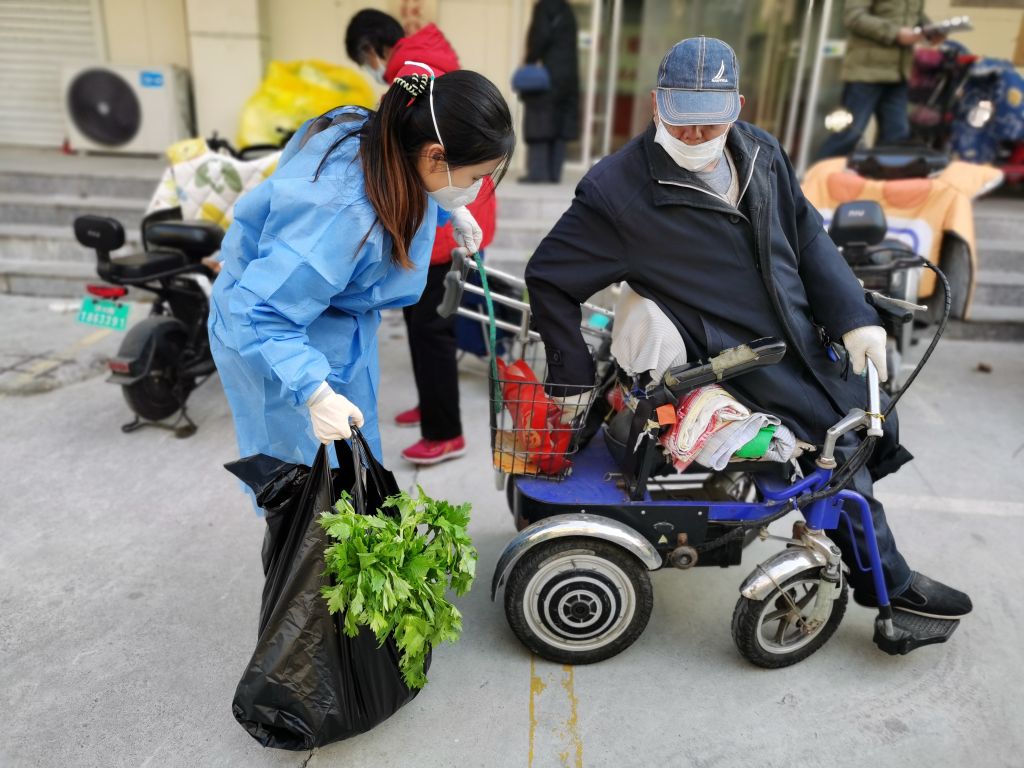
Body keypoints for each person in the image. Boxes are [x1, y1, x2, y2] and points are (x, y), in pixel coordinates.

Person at [525, 36, 972, 620]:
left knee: (868, 416)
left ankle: (872, 566)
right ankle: (889, 585)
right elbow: (549, 276)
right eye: (680, 120)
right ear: (657, 103)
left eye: (709, 123)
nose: (693, 136)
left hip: (801, 335)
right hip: (739, 360)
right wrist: (571, 374)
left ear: (737, 107)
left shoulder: (761, 151)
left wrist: (855, 317)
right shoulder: (617, 191)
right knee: (837, 450)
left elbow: (807, 235)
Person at [208, 65, 514, 478]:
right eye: (474, 177)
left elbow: (410, 180)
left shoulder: (389, 139)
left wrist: (450, 207)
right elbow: (261, 313)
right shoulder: (342, 214)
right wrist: (314, 393)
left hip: (332, 326)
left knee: (356, 473)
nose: (476, 189)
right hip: (278, 339)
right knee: (303, 485)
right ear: (436, 155)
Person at [346, 9, 499, 465]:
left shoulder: (414, 74)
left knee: (431, 328)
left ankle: (445, 431)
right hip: (447, 213)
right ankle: (432, 405)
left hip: (444, 222)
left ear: (370, 48)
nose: (370, 68)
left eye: (364, 59)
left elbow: (404, 152)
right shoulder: (424, 64)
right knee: (420, 323)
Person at [817, 0, 940, 158]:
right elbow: (853, 16)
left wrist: (930, 31)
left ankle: (881, 174)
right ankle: (815, 174)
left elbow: (911, 16)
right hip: (865, 73)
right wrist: (896, 33)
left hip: (898, 74)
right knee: (848, 136)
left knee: (896, 139)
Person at [520, 0, 579, 183]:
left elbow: (539, 37)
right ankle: (554, 173)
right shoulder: (567, 9)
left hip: (548, 73)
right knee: (561, 122)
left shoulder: (544, 8)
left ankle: (538, 173)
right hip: (569, 75)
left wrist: (530, 60)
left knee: (540, 119)